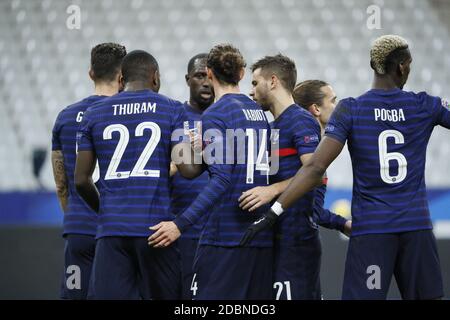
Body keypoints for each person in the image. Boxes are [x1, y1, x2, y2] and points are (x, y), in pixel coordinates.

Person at [241, 35, 448, 300]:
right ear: (403, 67)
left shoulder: (352, 109)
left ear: (374, 65)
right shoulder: (425, 105)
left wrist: (274, 211)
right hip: (416, 226)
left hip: (372, 229)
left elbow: (315, 167)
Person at [149, 44, 273, 299]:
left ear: (210, 72)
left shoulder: (216, 114)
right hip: (258, 235)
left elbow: (222, 179)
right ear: (241, 73)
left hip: (223, 235)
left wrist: (179, 224)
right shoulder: (261, 114)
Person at [74, 50, 201, 299]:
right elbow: (187, 170)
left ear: (121, 78)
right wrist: (204, 154)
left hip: (112, 231)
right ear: (155, 78)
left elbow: (80, 180)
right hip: (156, 230)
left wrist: (105, 211)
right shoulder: (172, 109)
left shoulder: (94, 114)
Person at [238, 54, 327, 300]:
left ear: (273, 81)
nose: (252, 91)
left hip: (297, 240)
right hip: (277, 235)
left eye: (255, 83)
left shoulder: (300, 120)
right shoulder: (273, 125)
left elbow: (314, 173)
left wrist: (271, 190)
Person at [51, 42, 126, 299]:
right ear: (122, 77)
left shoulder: (66, 117)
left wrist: (76, 214)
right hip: (120, 230)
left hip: (79, 228)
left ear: (91, 73)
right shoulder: (131, 117)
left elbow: (61, 183)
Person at [170, 53, 214, 300]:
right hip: (179, 228)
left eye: (210, 76)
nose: (206, 82)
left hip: (218, 229)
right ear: (188, 80)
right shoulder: (174, 117)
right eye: (199, 76)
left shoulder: (228, 117)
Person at [293, 80, 351, 234]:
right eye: (333, 101)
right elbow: (312, 213)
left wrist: (343, 223)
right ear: (316, 108)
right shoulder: (309, 151)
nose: (338, 106)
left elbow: (311, 209)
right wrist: (342, 223)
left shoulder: (302, 142)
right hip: (296, 240)